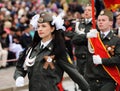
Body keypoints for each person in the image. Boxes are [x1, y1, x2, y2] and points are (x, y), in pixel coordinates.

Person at [13, 11, 90, 91]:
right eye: (38, 26)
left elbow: (74, 73)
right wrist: (19, 76)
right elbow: (20, 67)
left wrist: (87, 88)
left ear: (52, 28)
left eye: (43, 26)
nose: (40, 29)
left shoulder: (58, 51)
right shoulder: (32, 49)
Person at [73, 9, 120, 91]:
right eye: (99, 20)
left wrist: (102, 60)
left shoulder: (116, 40)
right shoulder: (93, 37)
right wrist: (87, 35)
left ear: (111, 22)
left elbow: (118, 59)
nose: (100, 22)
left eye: (103, 20)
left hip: (107, 80)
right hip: (90, 79)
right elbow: (74, 40)